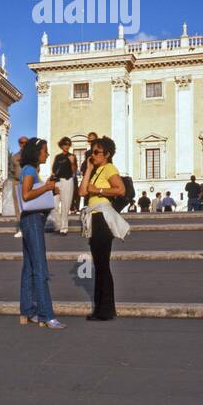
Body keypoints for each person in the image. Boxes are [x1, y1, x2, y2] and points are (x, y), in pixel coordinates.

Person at [78, 136, 127, 321]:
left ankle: (105, 310)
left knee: (103, 265)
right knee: (99, 265)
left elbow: (120, 189)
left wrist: (97, 191)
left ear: (107, 154)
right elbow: (82, 191)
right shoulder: (96, 170)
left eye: (97, 152)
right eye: (91, 151)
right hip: (93, 218)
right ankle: (102, 309)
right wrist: (89, 169)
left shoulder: (109, 169)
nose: (93, 155)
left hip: (103, 219)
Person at [17, 138, 63, 329]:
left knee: (29, 267)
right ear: (36, 153)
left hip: (28, 220)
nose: (47, 154)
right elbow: (26, 195)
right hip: (33, 220)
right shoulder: (29, 170)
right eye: (45, 151)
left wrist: (47, 191)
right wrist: (46, 187)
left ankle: (27, 311)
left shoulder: (28, 170)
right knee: (40, 268)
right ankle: (46, 314)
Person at [49, 137, 77, 236]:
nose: (67, 146)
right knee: (54, 205)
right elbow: (53, 170)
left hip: (68, 181)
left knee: (66, 205)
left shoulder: (72, 156)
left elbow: (74, 172)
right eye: (65, 144)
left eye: (68, 144)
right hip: (57, 181)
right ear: (61, 145)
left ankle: (64, 228)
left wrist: (72, 162)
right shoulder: (58, 157)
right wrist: (53, 182)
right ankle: (58, 225)